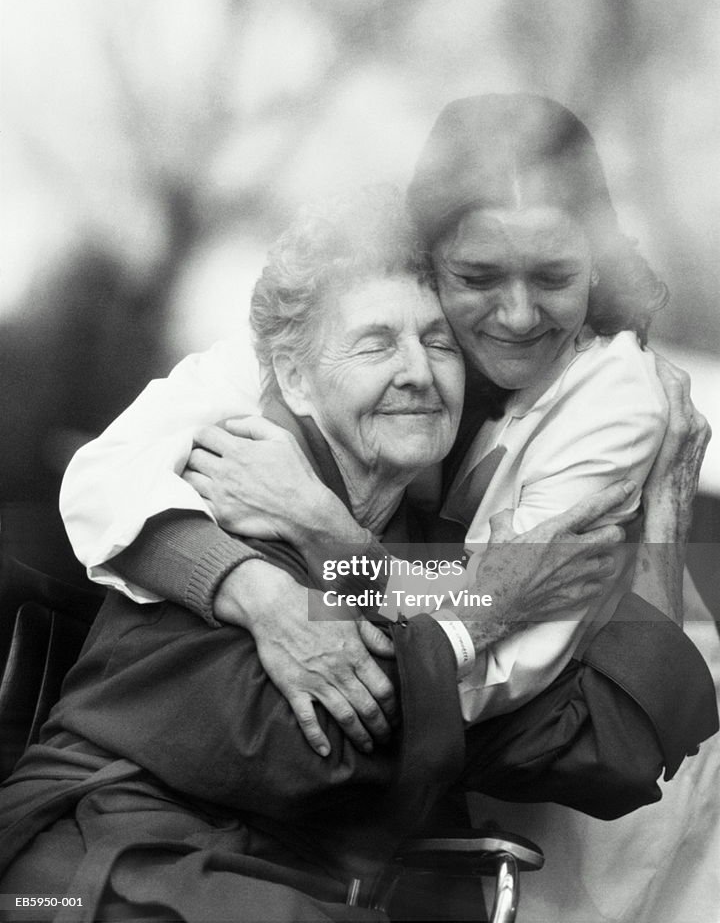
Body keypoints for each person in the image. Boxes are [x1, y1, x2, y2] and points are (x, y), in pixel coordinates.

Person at [0, 188, 670, 923]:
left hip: (259, 884)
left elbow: (601, 738)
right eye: (377, 343)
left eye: (439, 343)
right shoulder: (231, 480)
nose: (417, 370)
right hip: (96, 874)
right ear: (292, 376)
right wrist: (491, 606)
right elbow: (311, 746)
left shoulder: (411, 536)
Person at [57, 96, 714, 744]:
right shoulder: (337, 348)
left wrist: (329, 536)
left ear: (597, 266)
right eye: (478, 276)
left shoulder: (610, 397)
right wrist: (258, 592)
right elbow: (103, 483)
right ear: (429, 259)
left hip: (611, 760)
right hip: (434, 794)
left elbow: (498, 650)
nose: (517, 315)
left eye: (553, 277)